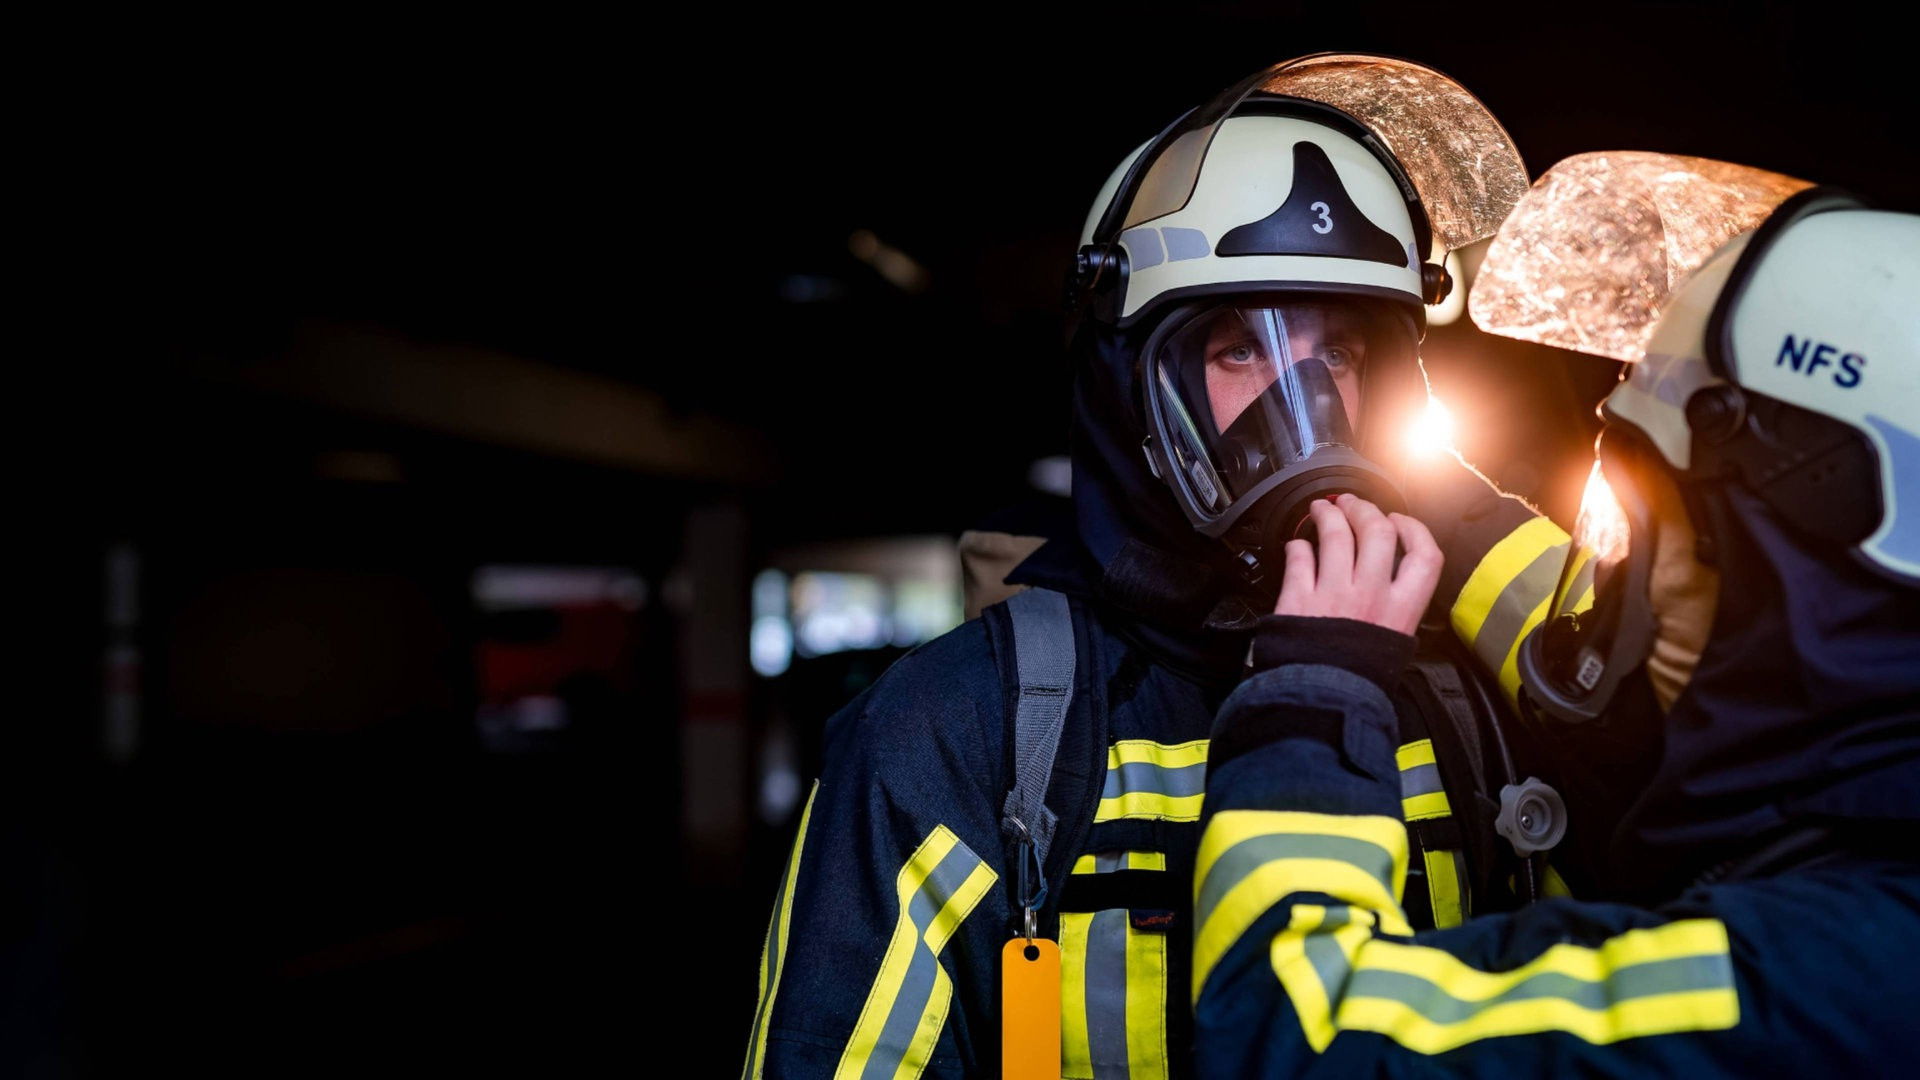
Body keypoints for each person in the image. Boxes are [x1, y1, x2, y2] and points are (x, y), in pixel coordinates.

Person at [740, 54, 1535, 1079]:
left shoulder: (1464, 701)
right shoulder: (962, 729)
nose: (1310, 415)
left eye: (1338, 354)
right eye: (1242, 351)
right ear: (1131, 395)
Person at [1189, 154, 1920, 1074]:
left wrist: (1315, 692)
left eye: (1647, 539)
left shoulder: (1810, 975)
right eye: (1241, 347)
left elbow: (1292, 1039)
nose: (1617, 589)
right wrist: (1444, 505)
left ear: (1781, 573)